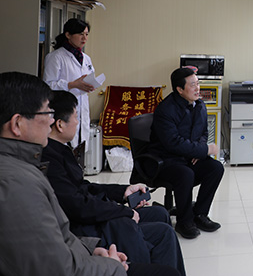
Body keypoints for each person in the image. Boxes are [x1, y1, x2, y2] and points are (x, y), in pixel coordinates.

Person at [0, 71, 178, 276]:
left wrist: (89, 248)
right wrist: (111, 264)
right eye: (47, 113)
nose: (50, 121)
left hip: (81, 248)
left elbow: (67, 221)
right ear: (17, 124)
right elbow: (57, 265)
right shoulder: (17, 183)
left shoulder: (31, 163)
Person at [42, 90, 186, 275]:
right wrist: (123, 211)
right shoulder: (49, 159)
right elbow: (77, 205)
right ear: (60, 124)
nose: (78, 122)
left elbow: (83, 187)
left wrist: (123, 192)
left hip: (89, 215)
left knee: (160, 214)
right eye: (76, 117)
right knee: (164, 233)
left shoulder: (60, 150)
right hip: (84, 227)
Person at [148, 67, 224, 239]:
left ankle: (200, 214)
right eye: (192, 85)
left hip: (189, 156)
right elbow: (173, 143)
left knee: (216, 168)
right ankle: (184, 221)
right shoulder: (165, 110)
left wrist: (199, 150)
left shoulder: (199, 105)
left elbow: (203, 133)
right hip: (165, 160)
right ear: (180, 89)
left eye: (198, 83)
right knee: (185, 173)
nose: (198, 88)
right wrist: (204, 150)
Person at [43, 18, 96, 150]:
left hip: (81, 111)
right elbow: (48, 86)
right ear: (68, 35)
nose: (84, 38)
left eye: (86, 34)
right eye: (80, 34)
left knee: (80, 150)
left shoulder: (86, 58)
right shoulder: (56, 57)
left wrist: (90, 85)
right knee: (64, 150)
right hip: (62, 110)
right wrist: (71, 85)